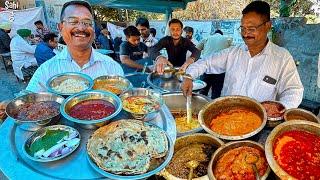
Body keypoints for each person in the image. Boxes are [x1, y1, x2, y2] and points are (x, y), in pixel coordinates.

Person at [181, 1, 303, 109]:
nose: (245, 34)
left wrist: (281, 107)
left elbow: (294, 90)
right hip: (226, 117)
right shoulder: (233, 52)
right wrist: (189, 76)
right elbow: (206, 62)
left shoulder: (282, 58)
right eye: (243, 28)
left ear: (268, 26)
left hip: (260, 124)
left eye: (251, 28)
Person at [26, 0, 123, 92]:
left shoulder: (112, 67)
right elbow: (27, 103)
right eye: (73, 22)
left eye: (87, 23)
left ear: (93, 29)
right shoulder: (46, 71)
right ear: (61, 27)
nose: (81, 28)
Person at [197, 30, 232, 99]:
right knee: (216, 92)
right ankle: (213, 107)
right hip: (220, 70)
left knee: (203, 90)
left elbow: (197, 49)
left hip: (207, 69)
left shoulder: (207, 38)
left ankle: (200, 106)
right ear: (221, 34)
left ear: (214, 33)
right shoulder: (227, 39)